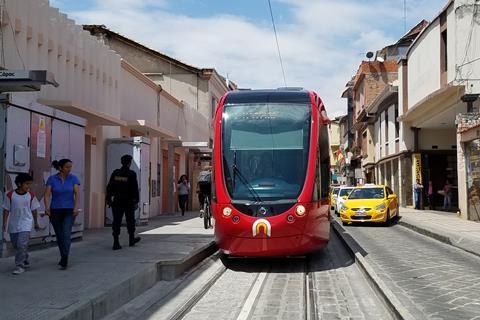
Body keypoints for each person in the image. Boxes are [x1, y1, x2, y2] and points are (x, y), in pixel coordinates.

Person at [44, 159, 81, 270]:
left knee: (66, 234)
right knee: (60, 236)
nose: (69, 169)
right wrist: (46, 208)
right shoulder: (52, 179)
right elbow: (47, 194)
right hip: (55, 210)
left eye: (70, 167)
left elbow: (77, 194)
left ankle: (65, 257)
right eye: (67, 167)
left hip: (69, 210)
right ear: (60, 168)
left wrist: (76, 207)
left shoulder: (73, 178)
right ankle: (63, 255)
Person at [2, 173, 41, 275]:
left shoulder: (31, 196)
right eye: (27, 184)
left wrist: (36, 222)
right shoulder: (10, 195)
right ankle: (25, 257)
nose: (29, 186)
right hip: (13, 223)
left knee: (21, 244)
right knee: (16, 245)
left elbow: (34, 210)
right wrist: (4, 222)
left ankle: (20, 266)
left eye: (30, 184)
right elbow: (6, 209)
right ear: (19, 184)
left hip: (26, 223)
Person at [106, 155, 141, 250]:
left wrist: (108, 199)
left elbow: (109, 187)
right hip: (128, 201)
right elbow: (135, 189)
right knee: (130, 220)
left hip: (117, 200)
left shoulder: (115, 173)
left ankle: (116, 242)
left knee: (116, 221)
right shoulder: (132, 174)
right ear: (129, 163)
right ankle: (131, 239)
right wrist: (136, 201)